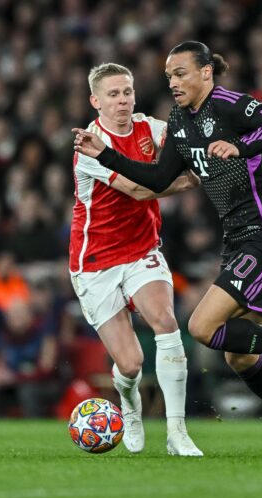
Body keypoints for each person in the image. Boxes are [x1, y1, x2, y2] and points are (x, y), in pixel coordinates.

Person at [74, 42, 262, 455]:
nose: (173, 82)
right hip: (236, 238)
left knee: (200, 327)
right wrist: (105, 154)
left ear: (206, 73)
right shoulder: (179, 121)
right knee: (240, 357)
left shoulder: (227, 105)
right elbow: (158, 180)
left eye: (181, 73)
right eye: (168, 76)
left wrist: (243, 147)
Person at [70, 63, 202, 456]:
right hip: (95, 261)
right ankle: (130, 408)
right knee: (130, 364)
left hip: (143, 250)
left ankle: (177, 432)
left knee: (165, 320)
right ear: (96, 101)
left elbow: (190, 143)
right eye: (113, 94)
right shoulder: (90, 146)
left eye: (127, 91)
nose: (123, 100)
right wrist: (191, 180)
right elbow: (141, 191)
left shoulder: (152, 129)